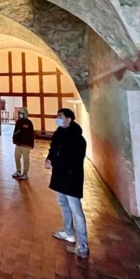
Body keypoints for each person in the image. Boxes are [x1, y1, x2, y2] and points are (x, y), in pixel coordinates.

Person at [45, 108, 89, 258]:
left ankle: (83, 244)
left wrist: (55, 163)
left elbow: (73, 161)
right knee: (63, 204)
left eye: (60, 116)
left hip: (71, 178)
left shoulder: (77, 139)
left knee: (76, 210)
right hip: (59, 177)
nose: (57, 118)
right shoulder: (58, 134)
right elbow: (53, 149)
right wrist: (49, 158)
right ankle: (68, 232)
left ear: (68, 119)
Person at [12, 107, 34, 180]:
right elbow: (15, 131)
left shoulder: (29, 123)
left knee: (25, 159)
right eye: (20, 113)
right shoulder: (18, 122)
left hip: (26, 144)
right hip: (19, 143)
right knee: (16, 156)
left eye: (22, 113)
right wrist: (14, 139)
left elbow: (31, 134)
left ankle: (25, 173)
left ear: (25, 113)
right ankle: (18, 171)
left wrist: (31, 145)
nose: (20, 114)